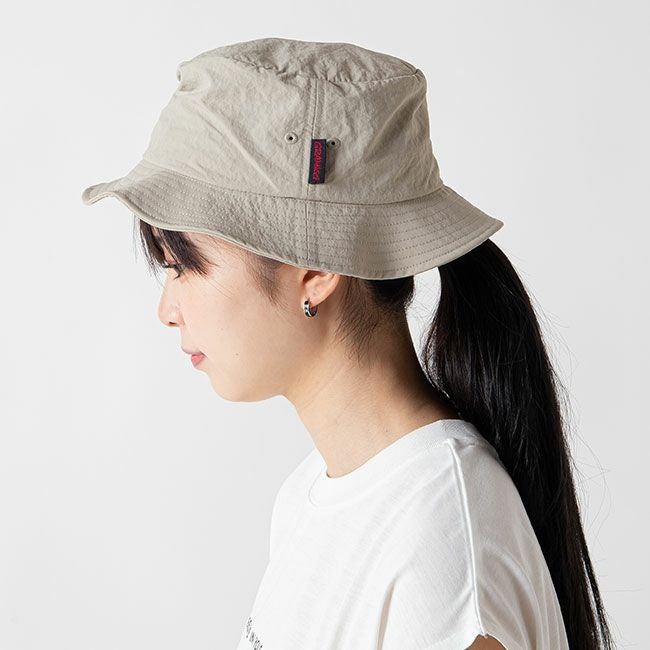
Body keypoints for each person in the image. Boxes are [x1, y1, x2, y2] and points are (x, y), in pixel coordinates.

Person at [81, 37, 615, 649]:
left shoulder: (440, 544)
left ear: (316, 267)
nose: (166, 311)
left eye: (183, 266)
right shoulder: (313, 496)